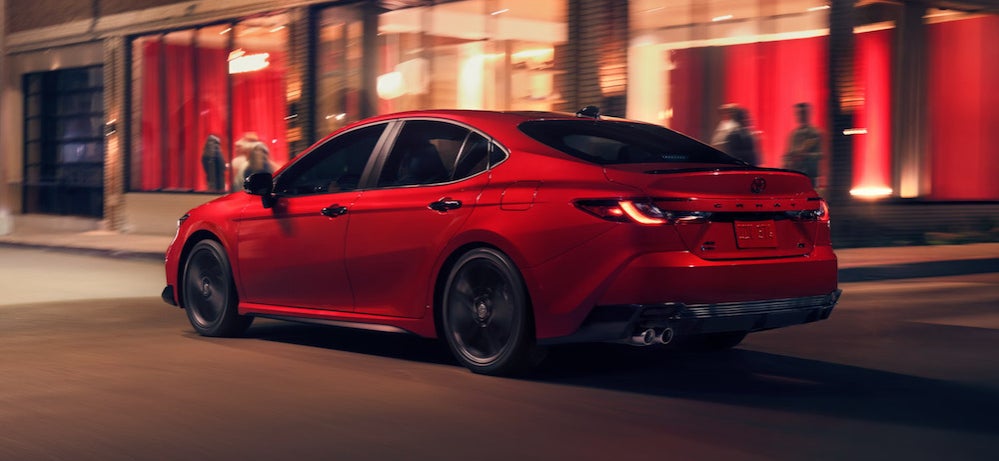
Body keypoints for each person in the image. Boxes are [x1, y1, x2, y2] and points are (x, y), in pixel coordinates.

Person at [782, 102, 823, 187]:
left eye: (803, 113)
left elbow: (820, 155)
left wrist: (805, 156)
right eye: (798, 113)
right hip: (795, 174)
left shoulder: (815, 133)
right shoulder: (793, 134)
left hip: (808, 175)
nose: (800, 116)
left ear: (808, 114)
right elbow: (788, 154)